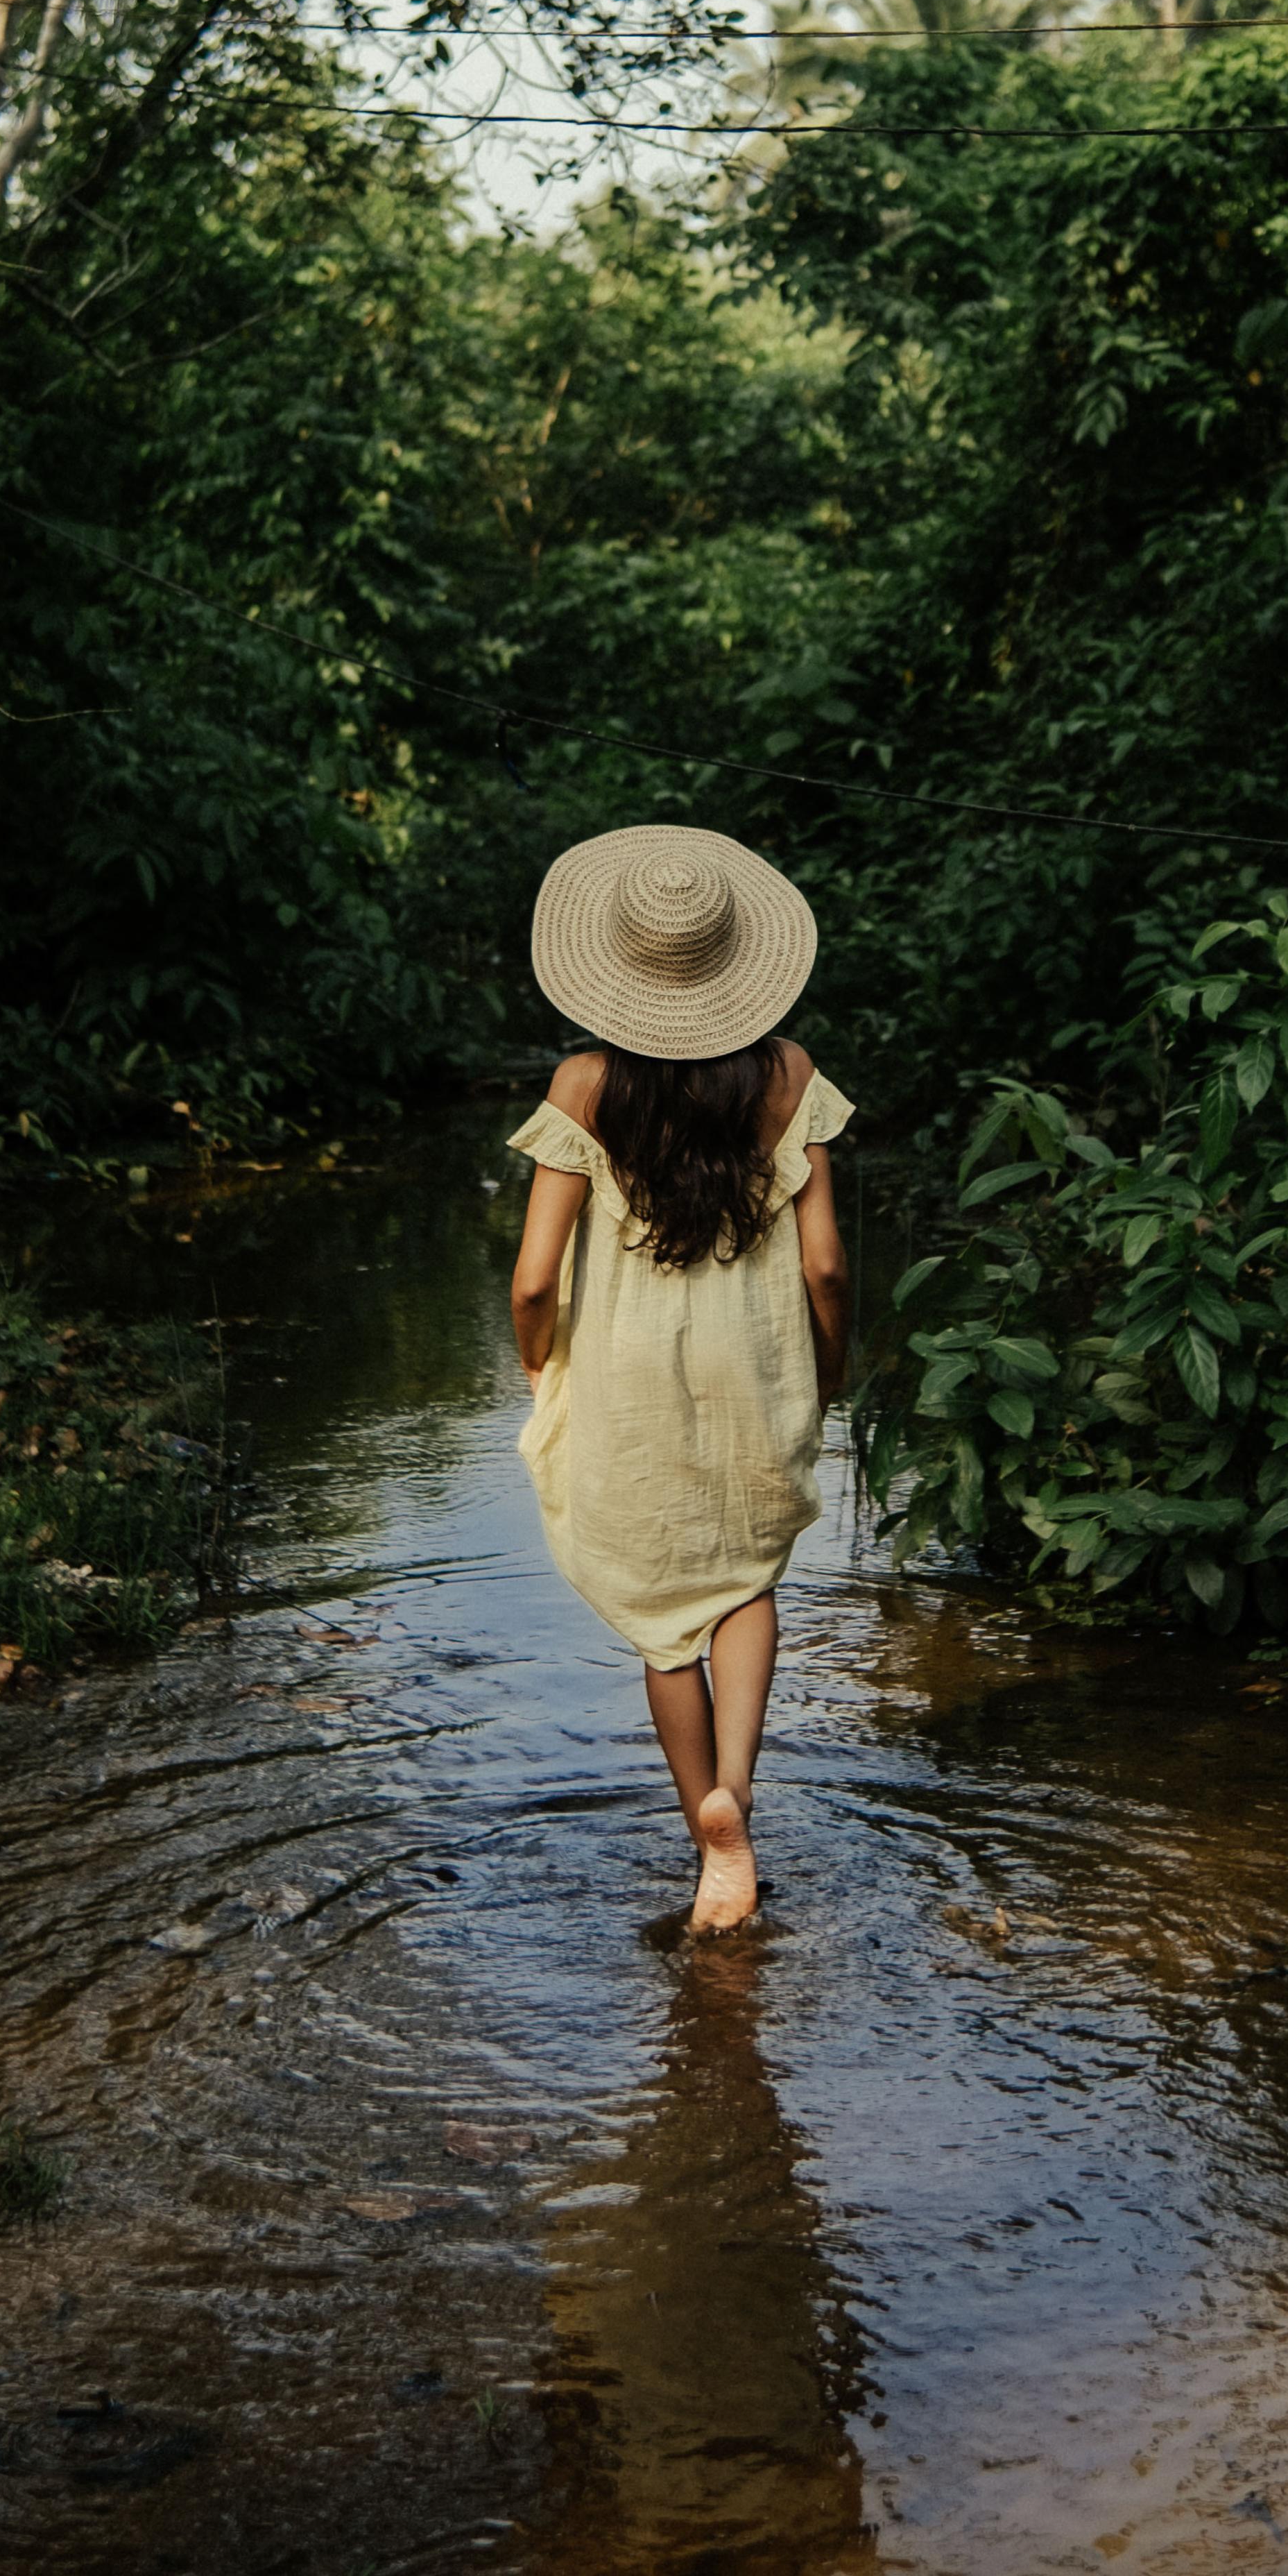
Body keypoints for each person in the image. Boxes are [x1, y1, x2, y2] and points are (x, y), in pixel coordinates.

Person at [506, 825, 851, 1931]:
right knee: (746, 1576)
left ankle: (702, 1832)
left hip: (626, 1377)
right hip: (754, 1364)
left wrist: (536, 1363)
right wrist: (829, 1366)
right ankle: (734, 1798)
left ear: (617, 964)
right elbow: (826, 1265)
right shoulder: (789, 1074)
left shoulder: (585, 1084)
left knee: (665, 1621)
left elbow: (532, 1278)